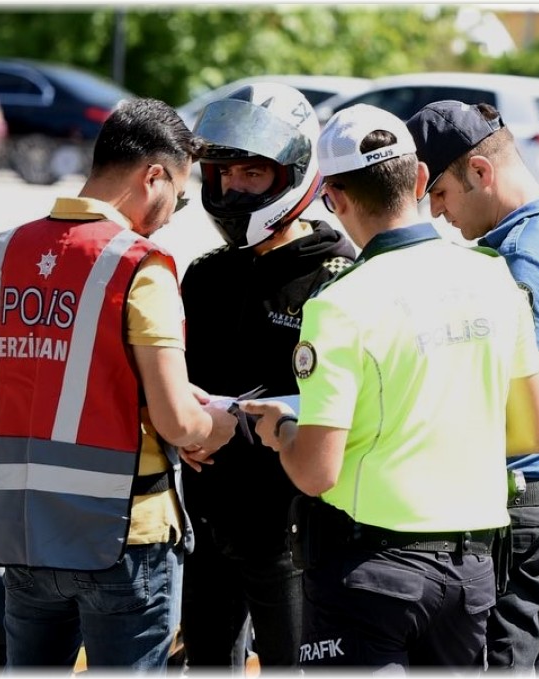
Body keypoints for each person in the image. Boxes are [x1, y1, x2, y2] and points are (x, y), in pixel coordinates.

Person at [242, 103, 539, 670]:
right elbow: (533, 429)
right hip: (472, 572)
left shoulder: (339, 304)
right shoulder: (493, 276)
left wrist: (283, 430)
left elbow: (316, 471)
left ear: (333, 199)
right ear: (416, 178)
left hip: (370, 574)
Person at [0, 97, 237, 672]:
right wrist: (221, 422)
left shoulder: (2, 253)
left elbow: (31, 377)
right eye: (179, 197)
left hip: (21, 532)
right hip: (121, 539)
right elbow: (176, 423)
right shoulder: (139, 266)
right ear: (154, 176)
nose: (172, 214)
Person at [406, 100, 539, 673]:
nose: (440, 216)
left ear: (481, 171)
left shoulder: (518, 258)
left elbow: (515, 392)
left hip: (516, 511)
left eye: (440, 193)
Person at [177, 82, 356, 671]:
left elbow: (349, 407)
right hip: (206, 523)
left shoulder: (338, 277)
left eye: (251, 174)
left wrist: (236, 425)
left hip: (295, 534)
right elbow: (173, 380)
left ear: (293, 173)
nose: (232, 187)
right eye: (224, 174)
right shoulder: (205, 276)